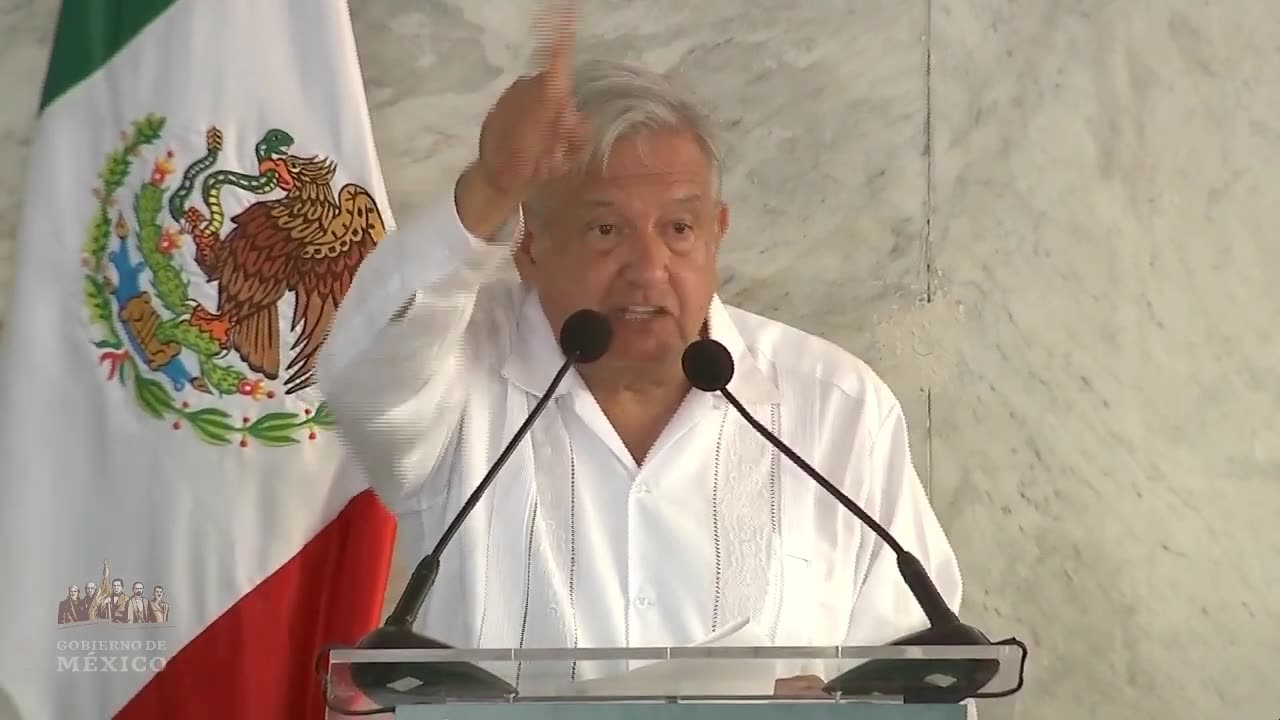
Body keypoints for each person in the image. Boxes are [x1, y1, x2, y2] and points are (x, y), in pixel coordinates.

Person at [316, 5, 961, 695]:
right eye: (604, 230)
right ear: (530, 247)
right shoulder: (455, 380)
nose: (648, 267)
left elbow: (920, 679)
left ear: (717, 234)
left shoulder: (838, 411)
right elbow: (358, 363)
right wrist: (492, 187)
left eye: (678, 228)